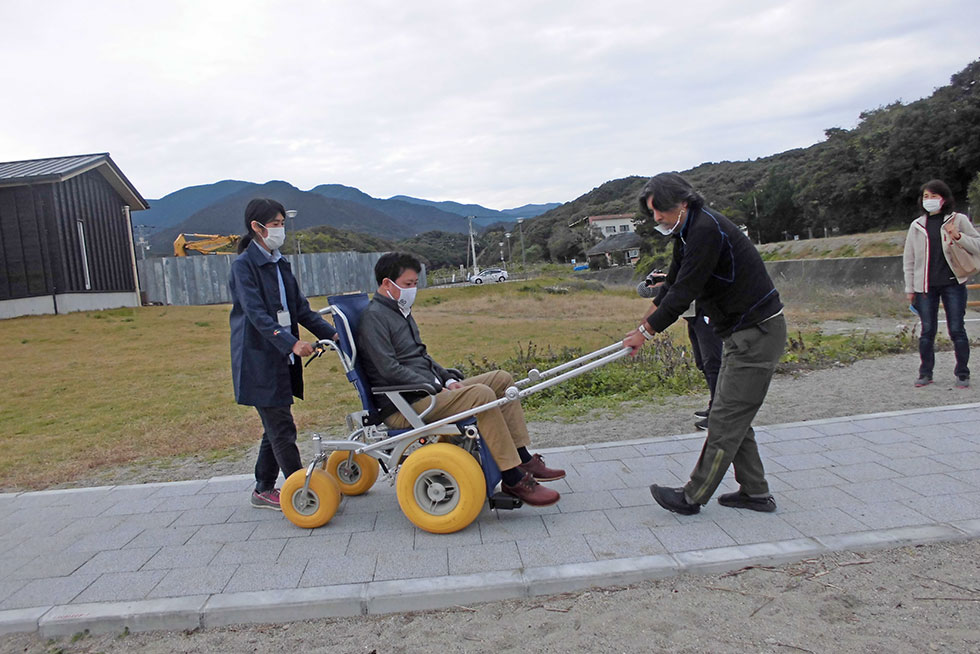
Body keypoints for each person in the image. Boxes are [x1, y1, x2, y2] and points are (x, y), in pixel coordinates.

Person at [623, 172, 786, 515]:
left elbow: (685, 292)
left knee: (724, 418)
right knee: (732, 413)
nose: (657, 219)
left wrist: (648, 333)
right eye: (652, 213)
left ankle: (691, 497)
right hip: (741, 333)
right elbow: (673, 284)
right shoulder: (687, 232)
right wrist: (642, 325)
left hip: (757, 333)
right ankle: (755, 492)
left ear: (682, 202)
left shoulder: (705, 230)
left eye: (661, 211)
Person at [356, 252, 564, 507]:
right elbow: (388, 369)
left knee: (501, 380)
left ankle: (522, 457)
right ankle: (512, 478)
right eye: (408, 284)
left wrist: (444, 377)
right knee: (481, 395)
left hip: (426, 392)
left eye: (415, 284)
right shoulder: (374, 318)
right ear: (387, 283)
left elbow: (421, 355)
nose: (413, 289)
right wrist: (435, 385)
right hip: (405, 404)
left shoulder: (400, 311)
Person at [229, 198, 338, 511]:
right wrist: (291, 343)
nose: (280, 229)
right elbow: (256, 314)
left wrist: (333, 334)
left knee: (275, 424)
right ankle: (301, 491)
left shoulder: (280, 263)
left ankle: (263, 488)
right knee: (281, 427)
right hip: (259, 359)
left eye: (281, 223)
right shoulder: (244, 267)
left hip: (281, 358)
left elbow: (300, 309)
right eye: (275, 224)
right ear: (257, 227)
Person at [902, 179, 980, 389]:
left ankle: (962, 373)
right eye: (926, 196)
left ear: (944, 198)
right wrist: (910, 288)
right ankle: (925, 372)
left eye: (934, 196)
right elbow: (909, 260)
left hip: (953, 284)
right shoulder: (917, 225)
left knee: (957, 329)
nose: (929, 200)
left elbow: (977, 245)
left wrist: (958, 235)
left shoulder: (958, 220)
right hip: (925, 286)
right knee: (927, 331)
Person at [639, 271, 722, 430]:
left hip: (708, 310)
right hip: (694, 315)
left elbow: (694, 277)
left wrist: (645, 328)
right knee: (702, 363)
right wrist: (665, 279)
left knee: (713, 363)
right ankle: (715, 404)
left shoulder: (704, 250)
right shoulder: (685, 253)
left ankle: (719, 413)